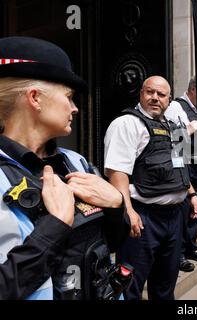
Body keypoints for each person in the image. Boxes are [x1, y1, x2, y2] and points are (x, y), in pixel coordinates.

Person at [0, 36, 130, 300]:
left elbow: (111, 243)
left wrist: (117, 205)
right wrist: (55, 226)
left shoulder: (75, 161)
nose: (75, 108)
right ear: (35, 98)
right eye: (69, 97)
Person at [104, 76, 197, 300]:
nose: (155, 98)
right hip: (143, 218)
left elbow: (180, 167)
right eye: (150, 92)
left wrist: (192, 194)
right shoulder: (126, 124)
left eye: (161, 95)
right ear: (141, 94)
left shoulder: (173, 126)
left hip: (175, 216)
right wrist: (128, 211)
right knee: (130, 288)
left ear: (169, 99)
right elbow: (117, 173)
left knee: (165, 287)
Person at [165, 76, 197, 273]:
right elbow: (176, 138)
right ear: (193, 90)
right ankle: (180, 253)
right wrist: (192, 128)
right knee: (184, 209)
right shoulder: (177, 106)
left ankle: (190, 245)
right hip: (185, 164)